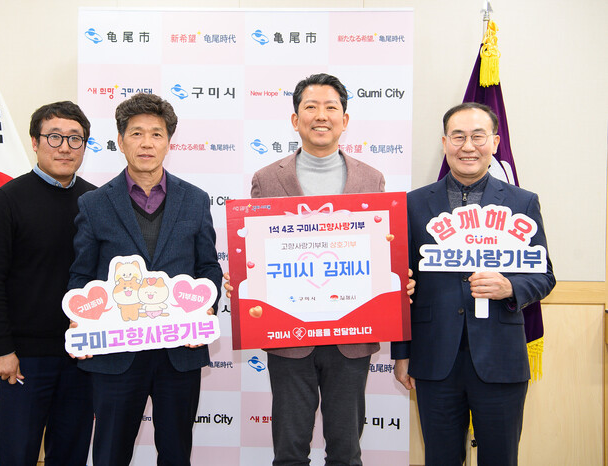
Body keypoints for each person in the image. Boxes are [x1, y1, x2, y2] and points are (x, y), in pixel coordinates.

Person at [227, 73, 413, 466]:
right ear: (295, 120)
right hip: (287, 335)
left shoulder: (372, 179)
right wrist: (245, 279)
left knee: (346, 451)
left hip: (353, 335)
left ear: (345, 120)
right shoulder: (266, 179)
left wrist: (396, 279)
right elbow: (256, 246)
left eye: (331, 107)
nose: (321, 115)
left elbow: (381, 247)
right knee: (289, 451)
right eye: (310, 107)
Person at [391, 102, 556, 466]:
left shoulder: (522, 202)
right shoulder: (413, 204)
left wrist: (510, 288)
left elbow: (544, 275)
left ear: (495, 142)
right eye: (458, 136)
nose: (468, 146)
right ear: (444, 143)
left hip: (500, 358)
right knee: (440, 458)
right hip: (434, 358)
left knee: (500, 458)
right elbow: (401, 285)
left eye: (478, 136)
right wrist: (402, 354)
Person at [68, 92, 223, 465]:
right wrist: (79, 317)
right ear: (121, 142)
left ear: (169, 142)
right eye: (136, 133)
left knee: (175, 453)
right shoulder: (94, 203)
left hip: (179, 353)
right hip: (115, 354)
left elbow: (208, 268)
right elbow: (82, 273)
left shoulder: (195, 200)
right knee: (110, 453)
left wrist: (205, 309)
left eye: (156, 134)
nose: (147, 143)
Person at [0, 101, 96, 465]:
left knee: (71, 456)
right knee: (17, 455)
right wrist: (1, 348)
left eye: (75, 139)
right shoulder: (6, 201)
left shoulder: (97, 202)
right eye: (54, 137)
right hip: (23, 359)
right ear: (35, 142)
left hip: (82, 355)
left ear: (85, 146)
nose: (64, 147)